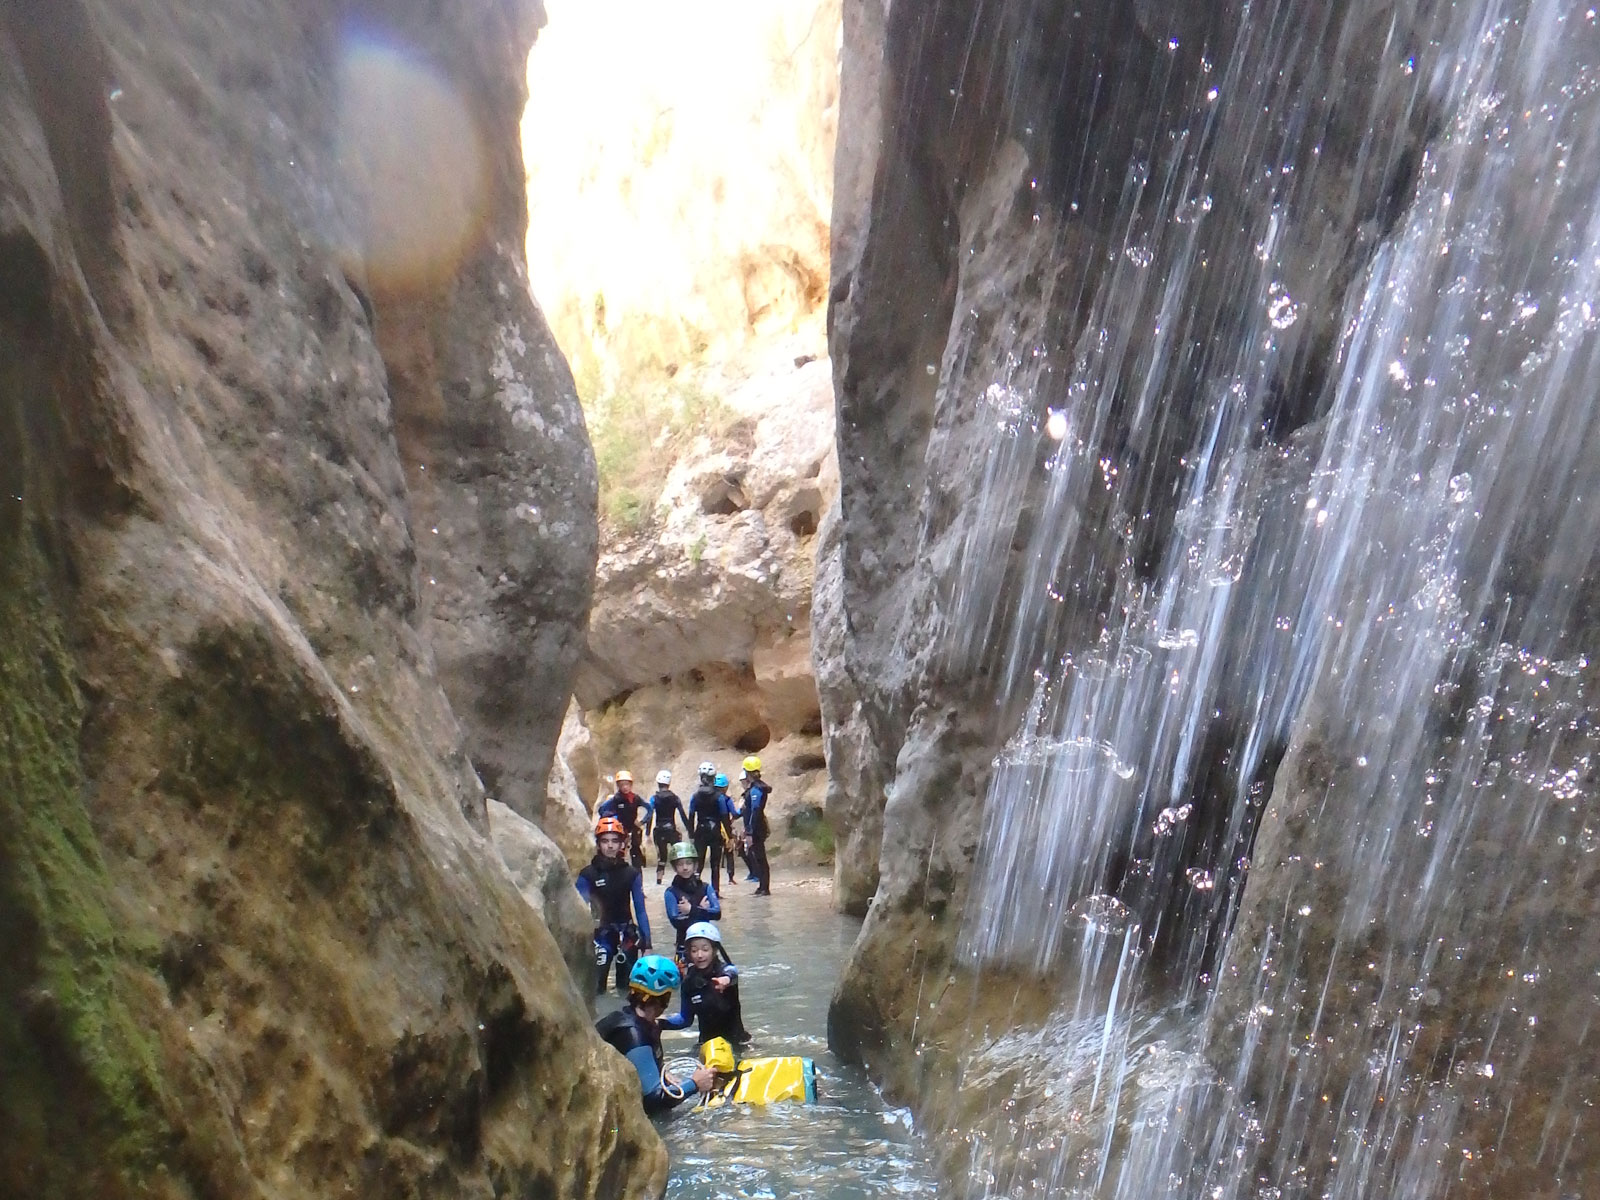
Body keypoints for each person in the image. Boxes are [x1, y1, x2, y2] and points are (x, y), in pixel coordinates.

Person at [595, 955, 714, 1114]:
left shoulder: (628, 1018)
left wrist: (661, 1073)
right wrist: (695, 1083)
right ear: (662, 998)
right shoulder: (634, 1034)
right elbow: (653, 1101)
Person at [575, 816, 653, 995]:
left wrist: (647, 944)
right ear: (598, 844)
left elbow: (640, 910)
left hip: (627, 935)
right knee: (597, 988)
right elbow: (578, 910)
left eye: (614, 841)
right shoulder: (588, 875)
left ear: (621, 844)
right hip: (600, 936)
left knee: (627, 989)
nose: (610, 846)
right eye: (605, 841)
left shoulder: (631, 874)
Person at [661, 922, 750, 1046]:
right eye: (694, 950)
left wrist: (726, 980)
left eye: (705, 949)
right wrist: (659, 1023)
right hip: (707, 1045)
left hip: (736, 1042)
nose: (700, 955)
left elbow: (733, 972)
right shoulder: (689, 982)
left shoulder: (725, 971)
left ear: (714, 950)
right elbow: (685, 1020)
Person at [662, 841, 720, 957]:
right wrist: (702, 911)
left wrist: (691, 910)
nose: (685, 868)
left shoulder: (705, 887)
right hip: (684, 947)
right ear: (674, 867)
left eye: (688, 863)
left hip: (706, 945)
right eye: (680, 864)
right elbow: (677, 922)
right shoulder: (671, 892)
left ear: (695, 865)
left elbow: (717, 913)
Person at [689, 762, 733, 892]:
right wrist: (729, 836)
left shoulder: (695, 796)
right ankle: (715, 892)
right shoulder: (719, 797)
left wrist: (691, 835)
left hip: (700, 830)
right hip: (715, 831)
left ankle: (695, 890)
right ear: (713, 778)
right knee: (715, 864)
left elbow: (691, 816)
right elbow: (725, 817)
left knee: (698, 863)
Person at [598, 770, 648, 871]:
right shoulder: (616, 799)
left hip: (633, 829)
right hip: (620, 830)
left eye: (627, 784)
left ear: (631, 785)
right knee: (619, 853)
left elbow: (649, 808)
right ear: (618, 786)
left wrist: (642, 821)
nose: (625, 787)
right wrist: (612, 820)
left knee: (636, 854)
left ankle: (637, 879)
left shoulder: (635, 798)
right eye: (622, 784)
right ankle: (619, 874)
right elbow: (601, 810)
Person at [645, 769, 687, 886]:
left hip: (659, 830)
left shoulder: (654, 798)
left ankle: (659, 880)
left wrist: (647, 833)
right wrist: (690, 830)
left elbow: (650, 815)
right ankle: (682, 876)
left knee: (662, 857)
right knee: (678, 854)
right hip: (671, 829)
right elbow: (683, 814)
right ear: (669, 783)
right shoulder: (675, 797)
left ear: (658, 783)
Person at [739, 756, 773, 896]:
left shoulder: (756, 790)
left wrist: (750, 832)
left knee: (760, 857)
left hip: (756, 828)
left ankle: (764, 887)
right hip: (756, 826)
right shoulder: (756, 788)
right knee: (758, 856)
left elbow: (755, 810)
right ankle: (762, 886)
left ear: (747, 772)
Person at [713, 772, 740, 888]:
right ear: (725, 787)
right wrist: (742, 810)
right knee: (729, 852)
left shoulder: (711, 798)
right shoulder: (727, 800)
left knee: (715, 856)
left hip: (713, 828)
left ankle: (714, 880)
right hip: (725, 828)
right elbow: (734, 813)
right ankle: (730, 878)